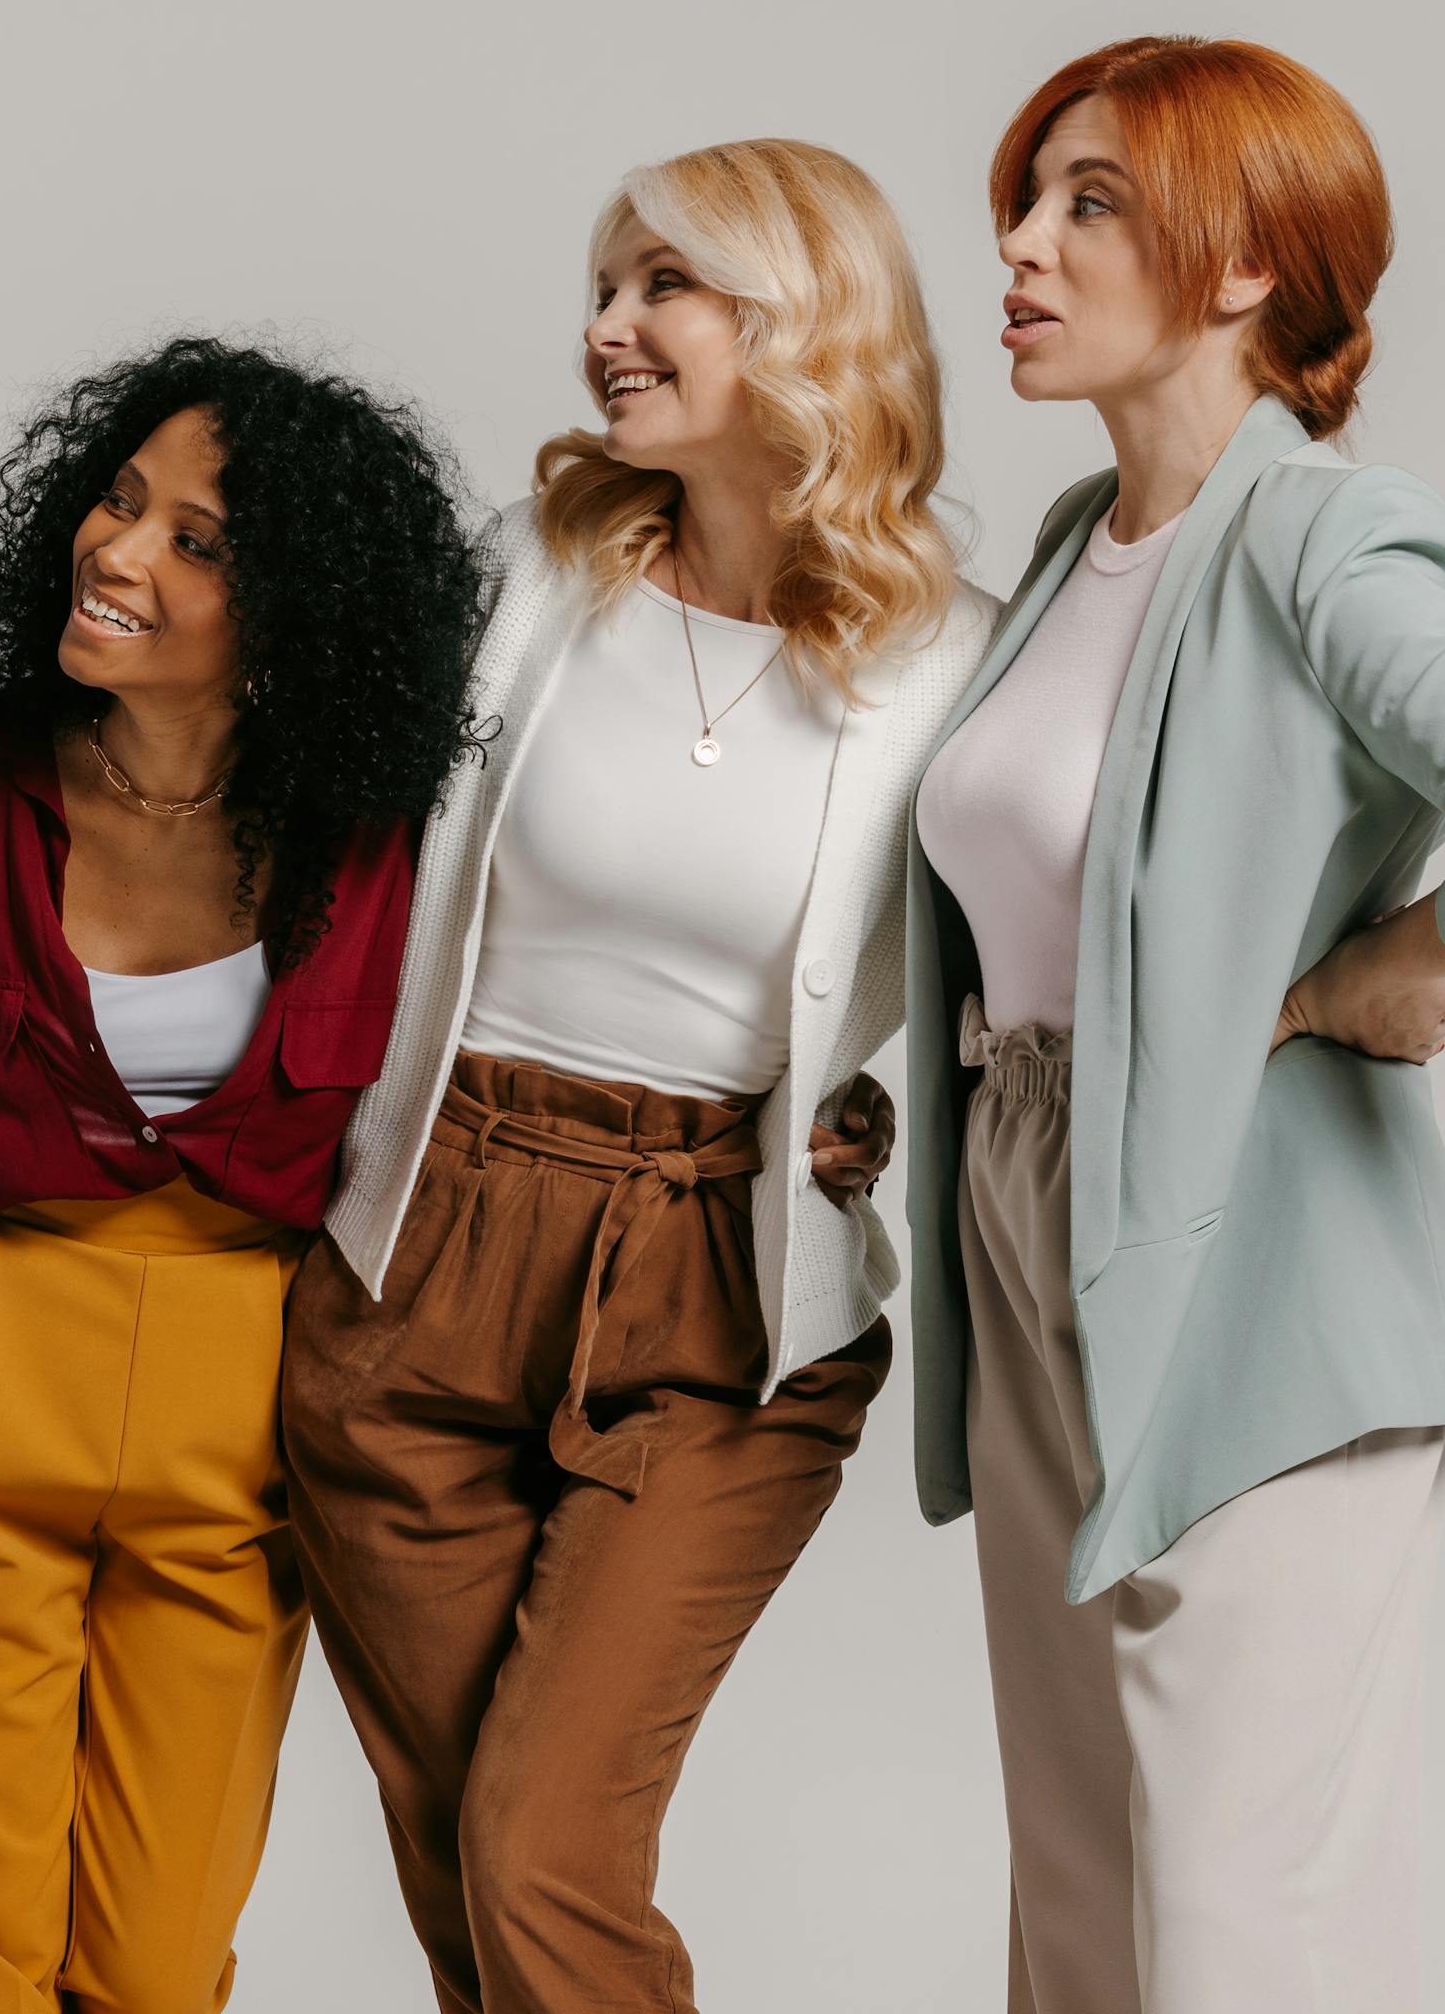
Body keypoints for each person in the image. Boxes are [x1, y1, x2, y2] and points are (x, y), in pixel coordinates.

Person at [907, 37, 1445, 2014]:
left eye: (1088, 200)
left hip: (1260, 1257)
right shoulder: (1077, 552)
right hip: (1033, 1214)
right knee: (1077, 1893)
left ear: (1249, 260)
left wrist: (1376, 966)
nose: (1019, 241)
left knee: (1247, 1921)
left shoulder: (1323, 537)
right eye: (1026, 193)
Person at [286, 138, 995, 2011]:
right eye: (605, 287)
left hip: (728, 1280)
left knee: (545, 1847)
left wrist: (887, 1128)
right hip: (419, 1251)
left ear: (801, 316)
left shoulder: (957, 664)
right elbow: (214, 645)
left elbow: (1066, 915)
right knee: (467, 1869)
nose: (608, 329)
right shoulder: (531, 575)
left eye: (663, 285)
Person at [0, 339, 480, 2014]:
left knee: (158, 1966)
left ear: (304, 614)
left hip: (245, 1425)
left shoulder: (384, 840)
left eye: (198, 541)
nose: (120, 553)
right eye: (118, 503)